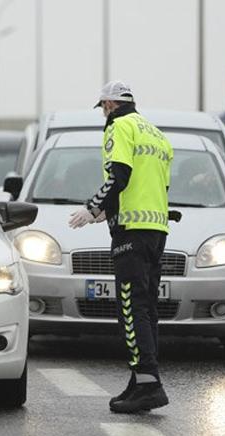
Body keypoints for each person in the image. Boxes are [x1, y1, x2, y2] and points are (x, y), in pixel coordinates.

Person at [68, 80, 173, 413]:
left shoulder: (119, 127)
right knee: (147, 308)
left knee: (130, 308)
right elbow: (158, 184)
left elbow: (120, 176)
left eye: (102, 108)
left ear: (109, 105)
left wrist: (93, 206)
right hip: (156, 229)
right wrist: (107, 212)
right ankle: (140, 380)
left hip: (131, 231)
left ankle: (149, 383)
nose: (103, 114)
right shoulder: (155, 134)